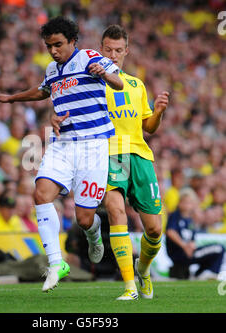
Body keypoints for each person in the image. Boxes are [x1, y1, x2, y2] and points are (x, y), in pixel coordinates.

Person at [0, 16, 123, 292]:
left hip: (94, 146)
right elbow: (42, 92)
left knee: (84, 218)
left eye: (58, 45)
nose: (53, 51)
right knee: (40, 193)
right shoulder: (53, 70)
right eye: (49, 46)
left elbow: (119, 84)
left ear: (72, 41)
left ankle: (93, 233)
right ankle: (56, 263)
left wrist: (105, 75)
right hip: (63, 144)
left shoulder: (88, 57)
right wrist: (12, 98)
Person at [52, 24, 169, 300]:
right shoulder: (90, 80)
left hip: (139, 157)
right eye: (108, 50)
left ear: (126, 51)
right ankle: (129, 287)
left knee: (154, 229)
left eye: (118, 50)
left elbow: (148, 128)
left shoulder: (136, 85)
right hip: (105, 154)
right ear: (100, 50)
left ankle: (144, 269)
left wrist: (160, 112)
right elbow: (62, 106)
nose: (113, 55)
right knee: (116, 212)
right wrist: (54, 118)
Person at [166, 188, 225, 280]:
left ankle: (201, 274)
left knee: (217, 250)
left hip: (188, 252)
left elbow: (192, 239)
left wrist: (191, 245)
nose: (187, 205)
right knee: (218, 248)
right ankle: (210, 273)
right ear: (179, 202)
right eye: (185, 202)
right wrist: (184, 246)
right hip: (179, 253)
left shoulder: (190, 221)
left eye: (189, 202)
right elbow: (170, 232)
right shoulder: (175, 215)